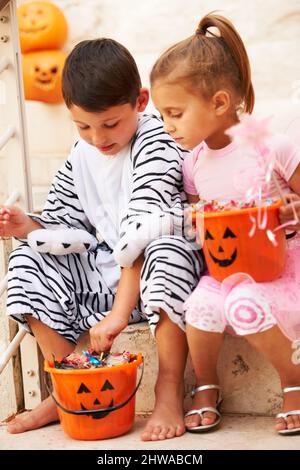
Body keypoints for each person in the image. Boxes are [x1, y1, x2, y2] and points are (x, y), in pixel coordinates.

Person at [0, 38, 203, 441]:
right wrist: (28, 227)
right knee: (26, 261)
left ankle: (167, 390)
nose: (98, 137)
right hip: (108, 279)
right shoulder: (83, 153)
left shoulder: (156, 142)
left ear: (141, 101)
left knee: (166, 247)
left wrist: (117, 315)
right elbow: (67, 223)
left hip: (157, 275)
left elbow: (144, 229)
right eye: (83, 126)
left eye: (110, 124)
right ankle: (70, 386)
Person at [150, 13, 300, 435]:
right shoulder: (195, 161)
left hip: (280, 264)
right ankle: (206, 386)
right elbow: (205, 216)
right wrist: (194, 217)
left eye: (175, 113)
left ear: (218, 102)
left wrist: (290, 210)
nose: (168, 126)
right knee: (199, 307)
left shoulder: (272, 147)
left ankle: (294, 384)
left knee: (243, 306)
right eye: (163, 115)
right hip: (228, 267)